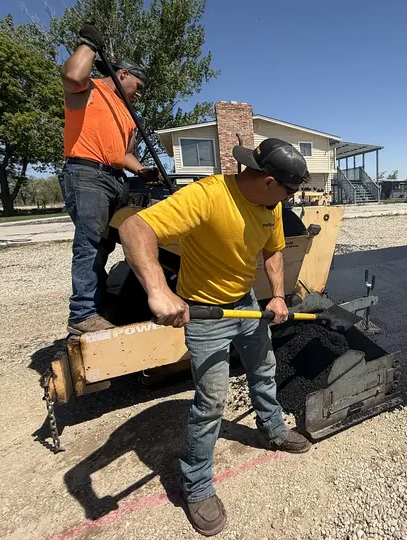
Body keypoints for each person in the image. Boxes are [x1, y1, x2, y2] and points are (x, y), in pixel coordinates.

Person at [118, 138, 312, 536]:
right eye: (289, 191)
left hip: (245, 304)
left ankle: (273, 429)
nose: (289, 199)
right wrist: (158, 290)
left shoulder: (270, 206)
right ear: (269, 181)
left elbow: (272, 251)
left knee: (263, 370)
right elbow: (135, 227)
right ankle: (197, 485)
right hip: (204, 312)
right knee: (211, 402)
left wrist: (276, 295)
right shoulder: (207, 196)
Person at [61, 23, 161, 335]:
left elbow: (123, 154)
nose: (140, 93)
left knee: (111, 242)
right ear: (122, 75)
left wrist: (142, 170)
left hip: (116, 178)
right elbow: (73, 75)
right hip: (86, 173)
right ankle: (82, 313)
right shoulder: (89, 90)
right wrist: (89, 44)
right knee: (90, 243)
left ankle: (104, 305)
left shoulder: (127, 113)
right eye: (138, 85)